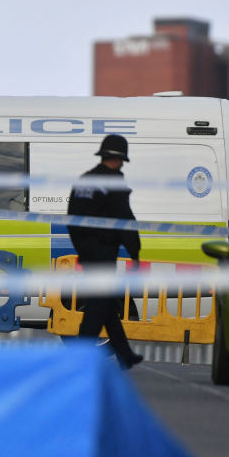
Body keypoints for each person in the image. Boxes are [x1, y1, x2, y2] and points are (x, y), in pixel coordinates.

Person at [65, 134, 144, 369]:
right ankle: (78, 358)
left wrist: (83, 248)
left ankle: (125, 354)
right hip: (103, 252)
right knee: (98, 307)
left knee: (106, 303)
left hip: (87, 252)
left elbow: (72, 219)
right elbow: (125, 219)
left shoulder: (84, 180)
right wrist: (135, 251)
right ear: (120, 159)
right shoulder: (113, 182)